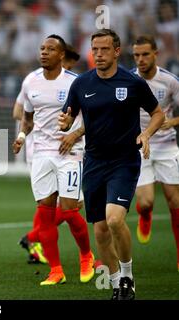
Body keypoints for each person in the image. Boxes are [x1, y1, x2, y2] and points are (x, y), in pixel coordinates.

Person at [58, 29, 165, 300]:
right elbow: (69, 117)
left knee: (115, 219)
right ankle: (118, 284)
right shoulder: (81, 84)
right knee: (101, 230)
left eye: (105, 49)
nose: (99, 54)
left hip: (124, 161)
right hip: (94, 162)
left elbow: (157, 113)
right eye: (95, 50)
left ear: (117, 51)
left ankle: (128, 275)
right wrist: (66, 125)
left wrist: (146, 133)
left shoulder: (132, 82)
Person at [13, 35, 95, 286]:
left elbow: (93, 115)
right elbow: (26, 117)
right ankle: (56, 271)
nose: (44, 52)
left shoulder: (76, 82)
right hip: (41, 153)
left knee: (70, 211)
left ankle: (86, 256)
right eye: (42, 48)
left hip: (69, 152)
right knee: (46, 213)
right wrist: (21, 136)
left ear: (62, 55)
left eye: (51, 49)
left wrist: (74, 134)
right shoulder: (31, 81)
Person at [131, 35, 179, 271]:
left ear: (155, 54)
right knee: (147, 202)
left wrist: (173, 122)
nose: (140, 59)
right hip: (140, 148)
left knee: (175, 202)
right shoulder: (128, 80)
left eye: (145, 54)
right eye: (136, 55)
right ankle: (145, 215)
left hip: (167, 147)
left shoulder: (170, 81)